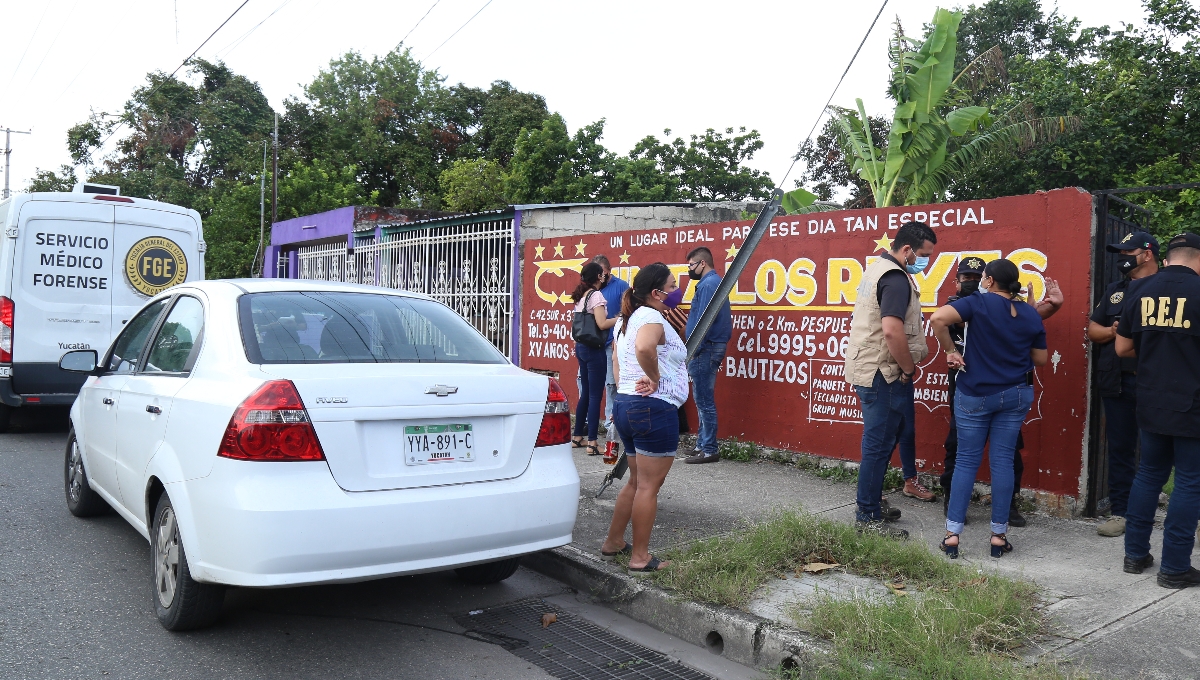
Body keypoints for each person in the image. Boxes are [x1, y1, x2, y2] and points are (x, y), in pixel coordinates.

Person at [931, 259, 1048, 559]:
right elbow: (1041, 359)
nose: (980, 281)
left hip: (976, 393)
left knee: (966, 462)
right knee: (1003, 463)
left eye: (983, 277)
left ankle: (952, 536)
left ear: (991, 280)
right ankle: (998, 537)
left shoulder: (977, 304)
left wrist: (951, 351)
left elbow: (938, 319)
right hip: (1015, 395)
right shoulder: (1029, 314)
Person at [1115, 232, 1200, 589]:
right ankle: (1175, 567)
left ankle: (1135, 554)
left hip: (1150, 400)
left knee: (1148, 474)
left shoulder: (1140, 291)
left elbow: (1122, 349)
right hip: (1192, 403)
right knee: (1190, 482)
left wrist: (1154, 354)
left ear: (1167, 258)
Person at [845, 220, 938, 538]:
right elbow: (891, 330)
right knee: (878, 444)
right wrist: (909, 369)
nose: (925, 262)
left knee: (885, 439)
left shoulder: (878, 268)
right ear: (908, 250)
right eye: (924, 255)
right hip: (884, 373)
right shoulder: (896, 278)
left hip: (874, 369)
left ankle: (873, 502)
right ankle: (867, 517)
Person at [601, 263, 688, 573]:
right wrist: (653, 377)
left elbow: (616, 358)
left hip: (628, 405)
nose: (678, 290)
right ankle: (640, 557)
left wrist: (626, 386)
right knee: (649, 487)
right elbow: (644, 347)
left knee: (637, 481)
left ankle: (613, 541)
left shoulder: (626, 319)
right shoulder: (650, 316)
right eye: (673, 285)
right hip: (652, 408)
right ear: (656, 292)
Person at [1087, 231, 1160, 537]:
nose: (1122, 258)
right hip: (1116, 381)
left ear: (1148, 253)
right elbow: (1093, 329)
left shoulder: (1165, 288)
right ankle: (1122, 512)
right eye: (1120, 253)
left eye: (1128, 252)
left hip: (1155, 383)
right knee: (1120, 449)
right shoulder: (1116, 290)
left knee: (1161, 451)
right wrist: (1115, 331)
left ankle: (1154, 509)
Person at [682, 246, 732, 464]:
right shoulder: (710, 283)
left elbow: (704, 321)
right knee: (702, 399)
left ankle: (709, 448)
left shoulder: (708, 284)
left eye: (691, 265)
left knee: (704, 401)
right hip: (708, 347)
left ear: (702, 263)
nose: (689, 270)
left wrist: (694, 349)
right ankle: (702, 444)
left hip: (706, 347)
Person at [570, 263, 617, 456]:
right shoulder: (596, 296)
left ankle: (577, 436)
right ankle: (592, 442)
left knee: (587, 393)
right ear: (599, 276)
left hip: (581, 347)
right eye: (603, 274)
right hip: (594, 348)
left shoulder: (581, 295)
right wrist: (622, 318)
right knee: (596, 395)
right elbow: (602, 323)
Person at [593, 254, 630, 455]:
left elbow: (628, 312)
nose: (600, 277)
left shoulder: (622, 286)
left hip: (611, 343)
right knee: (585, 383)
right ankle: (589, 425)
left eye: (603, 273)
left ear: (608, 270)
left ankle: (611, 424)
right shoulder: (591, 289)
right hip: (592, 344)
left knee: (611, 383)